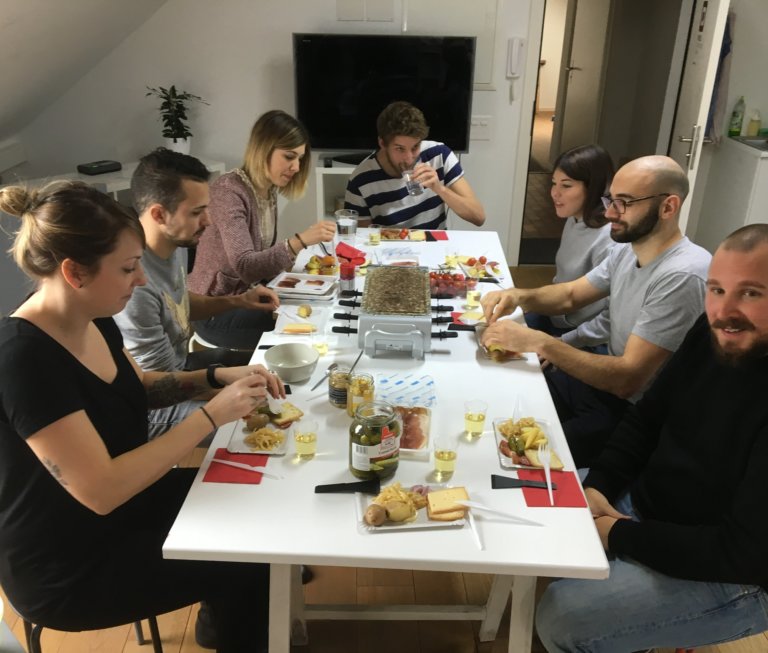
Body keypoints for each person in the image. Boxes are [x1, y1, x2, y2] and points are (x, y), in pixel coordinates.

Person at [0, 181, 286, 652]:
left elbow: (140, 388)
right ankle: (239, 620)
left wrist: (218, 375)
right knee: (248, 558)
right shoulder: (24, 360)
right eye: (129, 268)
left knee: (249, 490)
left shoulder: (94, 316)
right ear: (74, 272)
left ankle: (234, 620)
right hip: (69, 563)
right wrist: (210, 417)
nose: (141, 280)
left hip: (127, 507)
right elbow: (102, 491)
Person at [535, 223, 768, 652]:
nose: (725, 309)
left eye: (750, 293)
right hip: (651, 505)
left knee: (561, 616)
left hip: (740, 573)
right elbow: (647, 417)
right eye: (716, 289)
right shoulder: (712, 331)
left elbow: (742, 551)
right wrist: (599, 485)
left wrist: (616, 535)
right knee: (529, 499)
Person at [481, 155, 712, 468]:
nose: (610, 212)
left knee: (516, 455)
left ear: (668, 207)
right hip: (600, 389)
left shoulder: (682, 274)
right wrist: (519, 295)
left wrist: (542, 342)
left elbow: (628, 380)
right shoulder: (627, 249)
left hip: (635, 413)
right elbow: (571, 295)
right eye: (611, 200)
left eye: (625, 202)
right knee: (504, 393)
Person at [114, 148, 280, 439]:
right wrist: (228, 390)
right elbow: (162, 389)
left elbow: (178, 305)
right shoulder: (135, 282)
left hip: (182, 369)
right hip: (155, 405)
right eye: (197, 212)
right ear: (158, 214)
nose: (209, 221)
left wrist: (239, 301)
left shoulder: (173, 245)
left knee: (273, 375)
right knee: (262, 421)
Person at [188, 110, 336, 347]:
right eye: (289, 157)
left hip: (245, 296)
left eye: (299, 158)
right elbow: (246, 266)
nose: (296, 167)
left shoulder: (266, 191)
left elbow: (260, 262)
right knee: (305, 330)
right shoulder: (229, 192)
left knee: (319, 307)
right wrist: (299, 241)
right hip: (212, 312)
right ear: (263, 148)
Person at [525, 144, 616, 346]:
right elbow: (562, 281)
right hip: (556, 315)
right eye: (554, 183)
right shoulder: (575, 218)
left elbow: (609, 318)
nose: (554, 193)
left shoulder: (609, 238)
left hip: (581, 333)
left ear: (594, 186)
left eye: (566, 186)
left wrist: (563, 343)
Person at [344, 100, 485, 230]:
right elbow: (364, 241)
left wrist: (439, 189)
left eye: (415, 147)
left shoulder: (438, 155)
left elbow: (478, 217)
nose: (409, 158)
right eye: (400, 149)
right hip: (392, 252)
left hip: (435, 246)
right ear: (382, 144)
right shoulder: (360, 179)